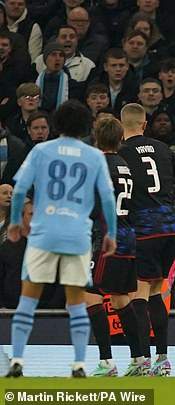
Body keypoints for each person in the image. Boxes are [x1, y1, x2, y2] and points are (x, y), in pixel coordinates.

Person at [5, 100, 118, 378]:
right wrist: (112, 233)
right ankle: (79, 364)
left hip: (44, 233)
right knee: (77, 302)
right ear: (84, 126)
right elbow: (106, 197)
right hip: (77, 235)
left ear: (56, 123)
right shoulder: (93, 156)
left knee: (27, 299)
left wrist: (16, 222)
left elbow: (19, 190)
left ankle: (17, 360)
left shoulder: (41, 151)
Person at [119, 103, 175, 377]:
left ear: (122, 126)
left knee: (138, 294)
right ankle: (162, 360)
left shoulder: (121, 153)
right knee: (155, 291)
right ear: (144, 124)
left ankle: (140, 360)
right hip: (170, 228)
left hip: (144, 228)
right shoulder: (163, 149)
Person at [84, 117, 146, 377]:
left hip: (105, 236)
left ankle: (106, 362)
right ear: (121, 138)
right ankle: (140, 359)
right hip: (127, 234)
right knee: (120, 299)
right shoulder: (124, 165)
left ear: (96, 138)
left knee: (90, 295)